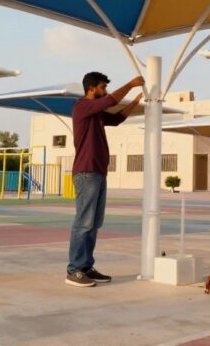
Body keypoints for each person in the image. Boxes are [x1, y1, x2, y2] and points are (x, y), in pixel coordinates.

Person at [66, 72, 144, 287]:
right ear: (91, 88)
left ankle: (86, 267)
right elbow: (112, 101)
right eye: (103, 87)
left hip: (98, 172)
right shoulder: (82, 106)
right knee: (84, 222)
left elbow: (117, 119)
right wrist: (130, 84)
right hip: (86, 172)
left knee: (94, 223)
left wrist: (136, 102)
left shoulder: (96, 114)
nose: (106, 91)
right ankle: (74, 269)